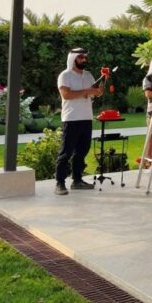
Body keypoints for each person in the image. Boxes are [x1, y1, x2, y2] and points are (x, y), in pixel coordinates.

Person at [54, 48, 102, 195]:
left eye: (85, 57)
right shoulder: (65, 75)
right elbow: (66, 94)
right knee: (66, 152)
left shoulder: (88, 75)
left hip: (87, 118)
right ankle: (60, 183)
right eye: (80, 57)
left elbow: (98, 92)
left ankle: (77, 181)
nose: (84, 60)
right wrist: (87, 91)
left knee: (82, 152)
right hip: (71, 118)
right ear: (73, 58)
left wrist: (99, 88)